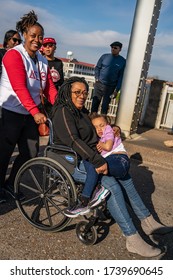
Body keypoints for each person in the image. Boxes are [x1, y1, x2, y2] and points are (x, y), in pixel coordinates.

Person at [51, 76, 173, 258]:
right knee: (112, 184)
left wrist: (113, 128)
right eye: (77, 92)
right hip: (75, 160)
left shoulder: (82, 112)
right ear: (67, 93)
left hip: (93, 155)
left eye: (85, 92)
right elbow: (73, 140)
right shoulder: (63, 111)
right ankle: (132, 239)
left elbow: (97, 129)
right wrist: (97, 160)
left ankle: (148, 223)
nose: (82, 96)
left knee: (126, 178)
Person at [0, 10, 57, 203]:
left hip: (30, 113)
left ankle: (10, 184)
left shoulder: (41, 59)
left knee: (30, 153)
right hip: (11, 111)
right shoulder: (13, 55)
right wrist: (35, 111)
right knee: (4, 152)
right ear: (25, 34)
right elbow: (19, 87)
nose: (37, 40)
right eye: (33, 35)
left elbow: (49, 86)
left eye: (40, 37)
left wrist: (60, 106)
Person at [64, 113, 130, 218]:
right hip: (116, 161)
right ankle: (96, 196)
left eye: (101, 125)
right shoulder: (99, 136)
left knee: (95, 165)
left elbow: (108, 147)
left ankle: (86, 199)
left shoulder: (108, 130)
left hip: (119, 160)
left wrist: (100, 145)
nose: (99, 129)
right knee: (95, 164)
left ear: (107, 124)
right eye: (95, 127)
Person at [91, 41, 126, 114]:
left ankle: (103, 121)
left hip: (110, 87)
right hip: (99, 84)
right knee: (95, 103)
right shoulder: (104, 56)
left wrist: (117, 90)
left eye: (115, 48)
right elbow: (97, 68)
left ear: (120, 49)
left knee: (105, 106)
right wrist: (97, 78)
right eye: (112, 47)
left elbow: (121, 76)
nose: (113, 49)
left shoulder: (123, 61)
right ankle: (92, 120)